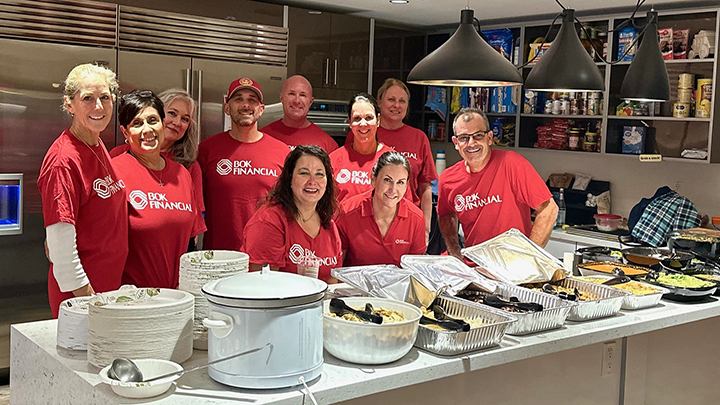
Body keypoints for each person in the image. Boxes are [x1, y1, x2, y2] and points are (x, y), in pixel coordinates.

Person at [38, 63, 128, 318]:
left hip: (106, 290)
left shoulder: (96, 143)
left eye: (105, 97)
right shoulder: (63, 160)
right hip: (81, 299)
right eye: (87, 98)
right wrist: (91, 301)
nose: (98, 107)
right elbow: (61, 252)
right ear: (69, 104)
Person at [112, 90, 206, 288]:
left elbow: (191, 239)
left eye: (153, 120)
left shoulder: (184, 173)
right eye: (137, 124)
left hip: (176, 296)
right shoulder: (115, 168)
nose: (147, 130)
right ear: (125, 132)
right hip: (130, 296)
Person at [438, 108, 558, 260]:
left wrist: (529, 257)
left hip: (514, 266)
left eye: (478, 136)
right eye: (464, 138)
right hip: (476, 268)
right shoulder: (448, 179)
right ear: (456, 142)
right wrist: (454, 252)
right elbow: (445, 215)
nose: (471, 143)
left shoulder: (512, 164)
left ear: (489, 138)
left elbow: (549, 209)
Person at [197, 77, 289, 251]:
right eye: (238, 99)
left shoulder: (282, 152)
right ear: (227, 108)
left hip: (265, 255)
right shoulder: (206, 150)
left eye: (252, 100)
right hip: (219, 254)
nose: (246, 105)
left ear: (261, 110)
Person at [242, 145, 342, 283]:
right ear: (289, 178)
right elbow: (263, 285)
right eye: (304, 173)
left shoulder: (328, 223)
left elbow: (332, 281)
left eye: (319, 174)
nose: (312, 181)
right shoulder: (269, 220)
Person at [336, 151, 425, 267]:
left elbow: (416, 269)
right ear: (373, 179)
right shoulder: (346, 212)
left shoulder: (416, 218)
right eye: (387, 180)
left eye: (400, 182)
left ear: (407, 185)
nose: (393, 190)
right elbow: (335, 268)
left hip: (398, 284)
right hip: (352, 284)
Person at [376, 79, 437, 243]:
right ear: (379, 101)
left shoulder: (419, 138)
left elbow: (425, 187)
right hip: (373, 220)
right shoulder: (366, 134)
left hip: (409, 220)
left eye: (402, 101)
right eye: (391, 100)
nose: (397, 105)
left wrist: (425, 228)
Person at [329, 93, 393, 202]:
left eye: (369, 118)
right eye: (357, 118)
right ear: (349, 122)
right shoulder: (334, 159)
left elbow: (404, 205)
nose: (363, 124)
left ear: (378, 120)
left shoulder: (393, 161)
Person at [260, 75, 338, 153]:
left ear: (310, 102)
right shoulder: (262, 136)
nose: (297, 101)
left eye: (302, 95)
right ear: (281, 98)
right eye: (291, 94)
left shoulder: (328, 145)